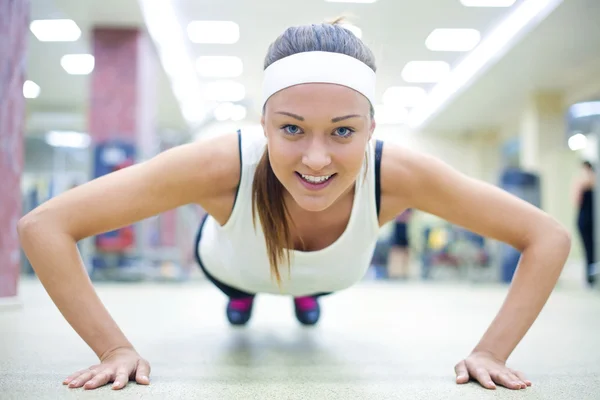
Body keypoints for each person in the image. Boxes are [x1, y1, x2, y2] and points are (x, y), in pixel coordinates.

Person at [18, 19, 571, 392]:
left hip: (327, 276)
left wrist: (492, 353)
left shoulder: (396, 172)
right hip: (230, 268)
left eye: (343, 131)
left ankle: (305, 297)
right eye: (291, 128)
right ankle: (243, 300)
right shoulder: (220, 165)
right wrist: (113, 348)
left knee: (309, 291)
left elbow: (547, 237)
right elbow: (45, 225)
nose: (315, 158)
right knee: (240, 293)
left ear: (372, 128)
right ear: (263, 125)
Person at [573, 160, 596, 286]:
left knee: (590, 249)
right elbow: (576, 200)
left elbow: (575, 200)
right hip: (586, 219)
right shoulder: (588, 181)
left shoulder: (585, 181)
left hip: (589, 219)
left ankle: (591, 277)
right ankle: (590, 278)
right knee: (589, 249)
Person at [387, 208, 414, 279]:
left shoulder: (409, 207)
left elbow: (409, 216)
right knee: (396, 251)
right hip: (398, 228)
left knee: (405, 251)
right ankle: (394, 272)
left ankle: (404, 272)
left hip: (405, 228)